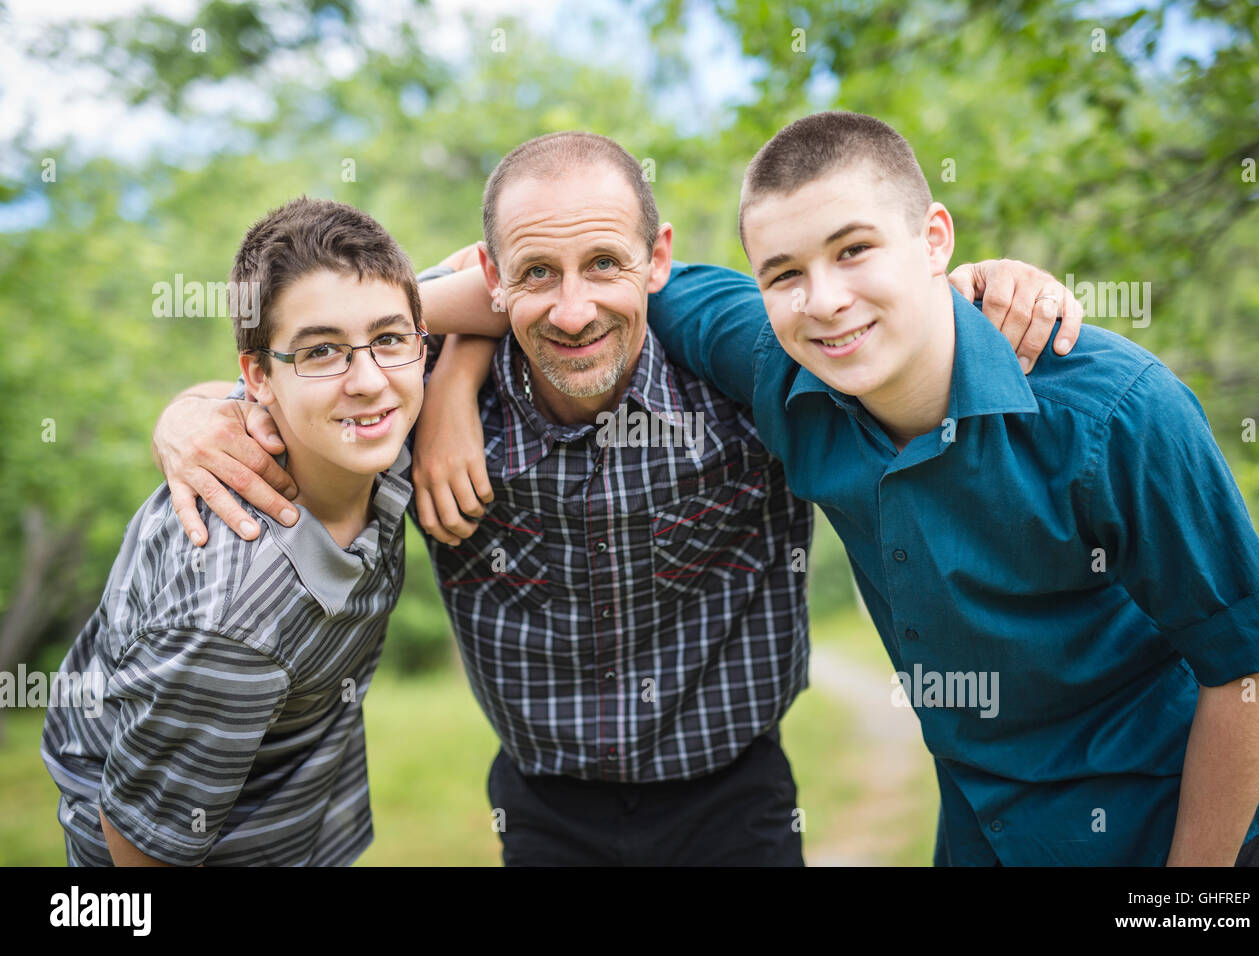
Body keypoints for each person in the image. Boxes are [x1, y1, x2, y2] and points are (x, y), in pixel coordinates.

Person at [153, 132, 1078, 865]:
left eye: (605, 265)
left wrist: (986, 287)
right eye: (538, 275)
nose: (573, 311)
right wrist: (195, 409)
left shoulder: (744, 380)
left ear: (656, 258)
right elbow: (302, 375)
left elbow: (875, 325)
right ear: (493, 276)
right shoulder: (409, 397)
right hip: (543, 807)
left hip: (738, 797)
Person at [644, 110, 1259, 865]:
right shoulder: (778, 363)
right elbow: (607, 284)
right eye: (784, 273)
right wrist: (468, 360)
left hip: (1181, 826)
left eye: (854, 249)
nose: (822, 299)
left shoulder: (1114, 411)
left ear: (934, 240)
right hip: (985, 828)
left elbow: (1248, 663)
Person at [41, 197, 429, 865]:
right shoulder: (231, 622)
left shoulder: (371, 433)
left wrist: (458, 388)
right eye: (322, 351)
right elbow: (142, 851)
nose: (368, 381)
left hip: (298, 831)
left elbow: (511, 283)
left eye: (390, 339)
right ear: (258, 377)